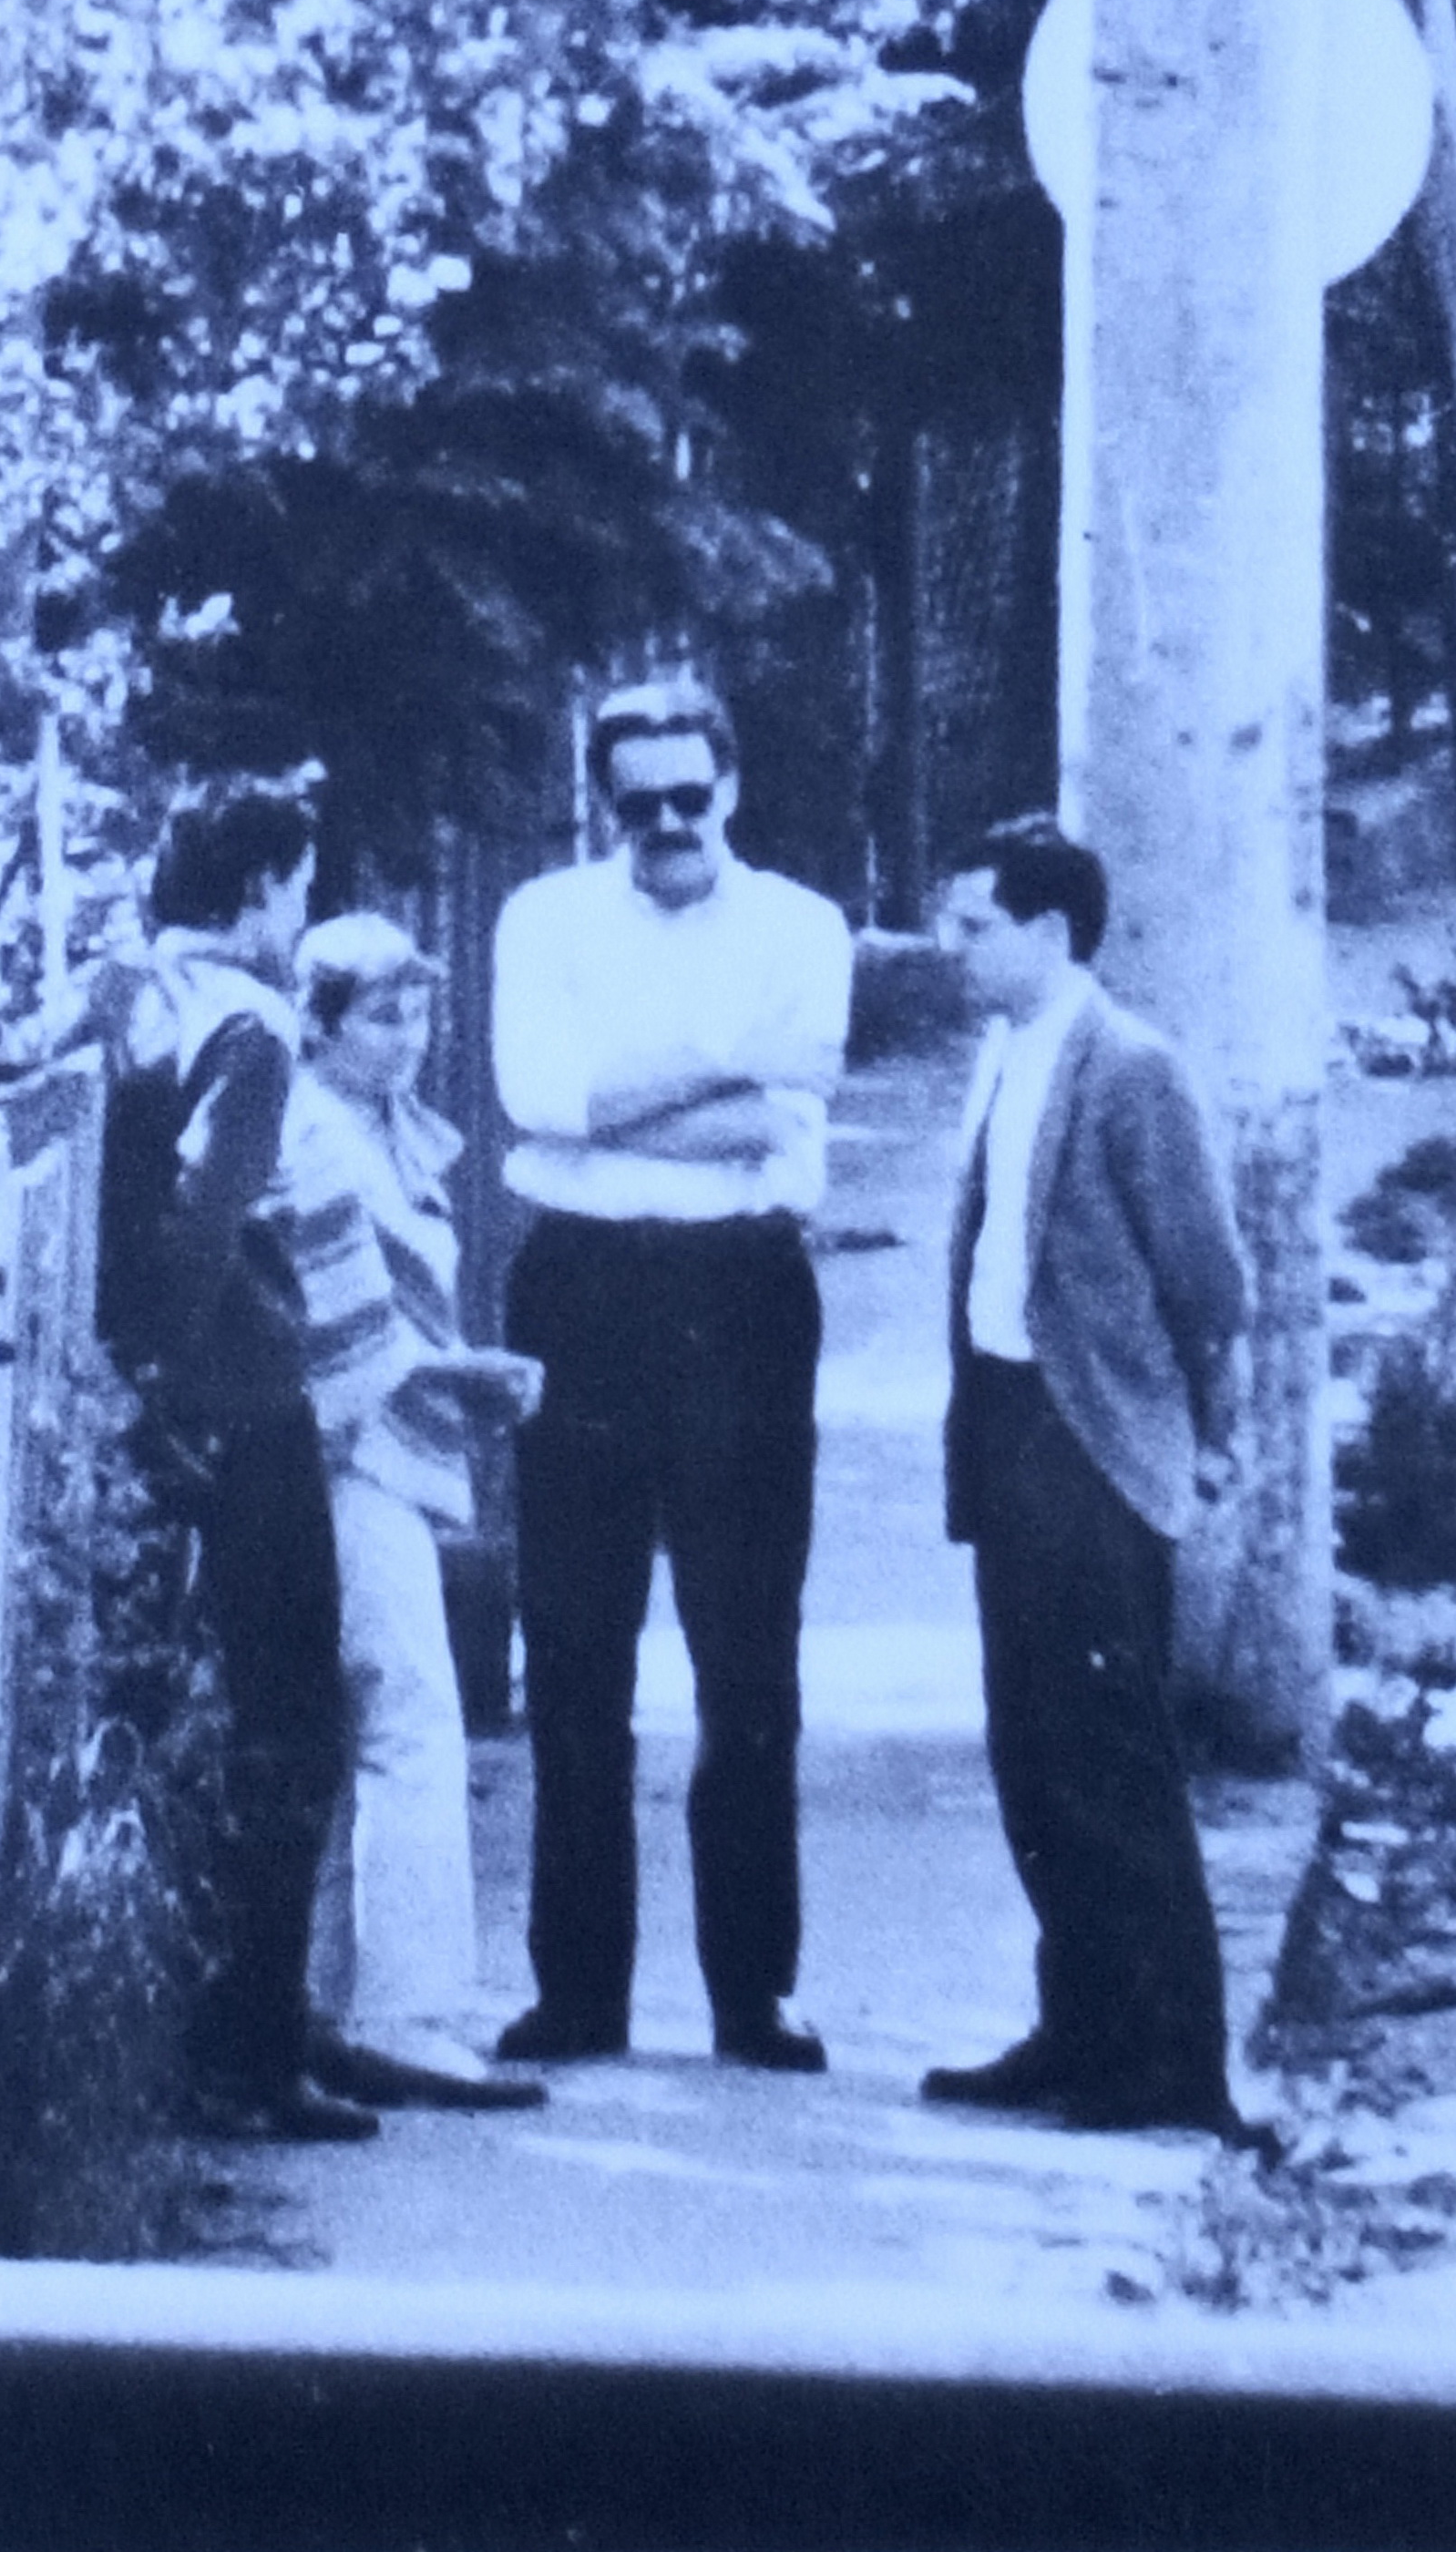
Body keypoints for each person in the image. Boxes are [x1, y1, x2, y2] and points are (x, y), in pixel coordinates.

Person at [485, 681, 854, 2073]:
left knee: (746, 1655)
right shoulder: (545, 919)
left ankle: (751, 1990)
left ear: (733, 788)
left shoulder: (801, 927)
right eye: (633, 804)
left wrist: (631, 1102)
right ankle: (578, 1991)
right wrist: (717, 1074)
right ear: (602, 803)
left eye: (687, 798)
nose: (663, 827)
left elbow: (790, 1114)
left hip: (741, 1297)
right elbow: (541, 1100)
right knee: (574, 1653)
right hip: (577, 1288)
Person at [918, 816, 1259, 2142]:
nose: (951, 948)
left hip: (1094, 1438)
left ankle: (1173, 2063)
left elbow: (1210, 1286)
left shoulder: (1130, 1068)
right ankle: (1078, 2029)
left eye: (974, 926)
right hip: (1006, 1423)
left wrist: (1211, 1435)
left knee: (1112, 1758)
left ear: (1049, 934)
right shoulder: (1006, 1053)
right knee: (1033, 1749)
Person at [82, 784, 374, 2145]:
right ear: (259, 887)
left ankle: (209, 2029)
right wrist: (165, 1378)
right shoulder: (249, 1029)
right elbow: (206, 1221)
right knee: (293, 1720)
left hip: (133, 1402)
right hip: (238, 1403)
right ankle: (255, 2052)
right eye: (298, 888)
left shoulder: (115, 990)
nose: (300, 916)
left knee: (155, 1705)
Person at [280, 911, 546, 2115]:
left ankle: (339, 2000)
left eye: (420, 1011)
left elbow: (393, 1320)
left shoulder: (384, 1133)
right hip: (346, 1464)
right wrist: (452, 1378)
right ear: (320, 1021)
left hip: (377, 1452)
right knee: (412, 1719)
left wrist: (458, 1367)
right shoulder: (318, 1133)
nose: (411, 1037)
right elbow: (342, 1337)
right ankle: (407, 2015)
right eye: (383, 1015)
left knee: (374, 1721)